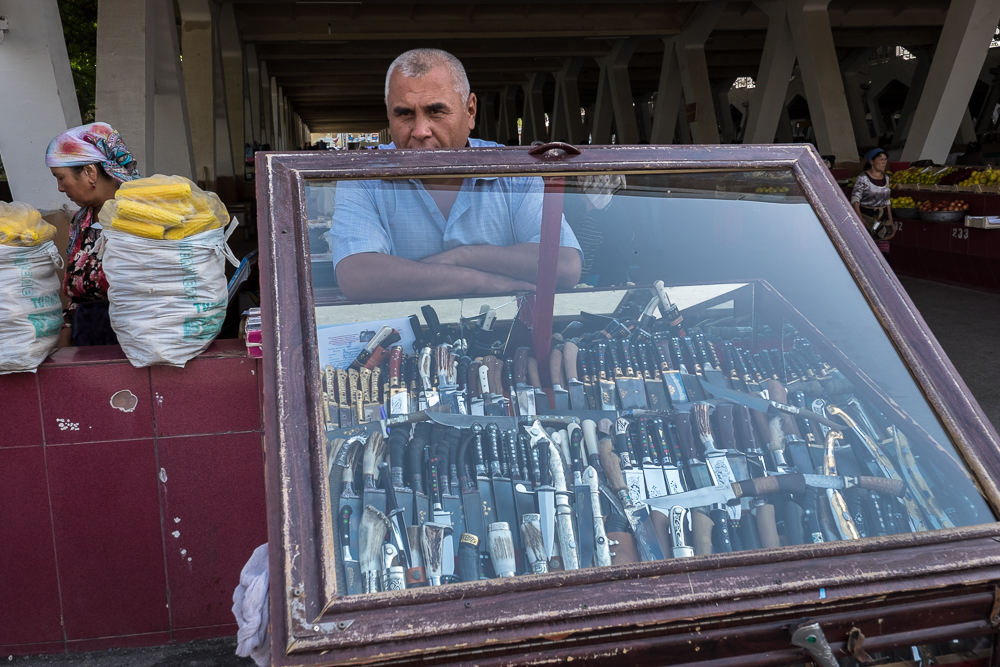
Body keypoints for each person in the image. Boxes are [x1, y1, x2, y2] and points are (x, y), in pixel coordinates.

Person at [330, 48, 582, 301]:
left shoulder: (513, 171)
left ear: (470, 111)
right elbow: (357, 276)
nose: (420, 130)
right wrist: (477, 281)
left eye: (436, 111)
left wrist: (462, 256)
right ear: (388, 114)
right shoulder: (363, 176)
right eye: (404, 113)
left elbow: (565, 266)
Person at [46, 122, 141, 346]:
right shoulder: (81, 220)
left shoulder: (138, 215)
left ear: (89, 172)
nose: (60, 188)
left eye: (61, 177)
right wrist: (67, 329)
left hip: (132, 332)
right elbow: (75, 288)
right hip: (87, 332)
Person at [850, 147, 895, 256]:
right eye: (880, 159)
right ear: (871, 162)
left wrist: (890, 218)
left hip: (882, 217)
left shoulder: (886, 178)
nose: (884, 162)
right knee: (868, 250)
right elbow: (855, 199)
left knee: (884, 252)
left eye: (885, 159)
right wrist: (859, 218)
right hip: (868, 217)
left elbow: (887, 199)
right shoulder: (862, 178)